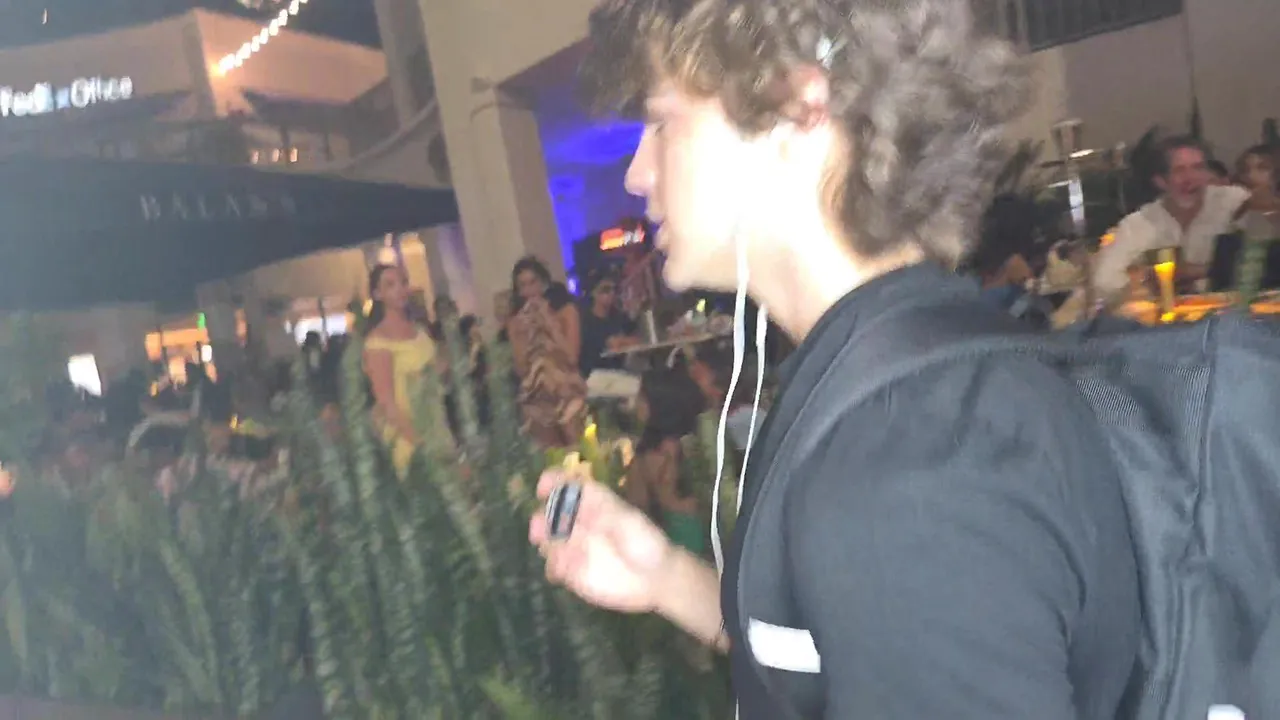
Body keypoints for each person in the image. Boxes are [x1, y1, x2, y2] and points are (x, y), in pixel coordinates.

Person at [529, 1, 1139, 717]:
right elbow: (859, 652)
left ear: (797, 109)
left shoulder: (909, 468)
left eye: (662, 122)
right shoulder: (906, 377)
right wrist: (668, 579)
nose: (636, 173)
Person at [1091, 137, 1249, 302]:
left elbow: (1263, 256)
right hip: (1172, 314)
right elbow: (1103, 282)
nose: (1190, 178)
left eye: (1198, 168)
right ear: (1161, 181)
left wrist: (1201, 271)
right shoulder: (1139, 223)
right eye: (1179, 170)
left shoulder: (1233, 201)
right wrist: (1147, 279)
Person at [362, 263, 441, 474]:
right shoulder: (378, 342)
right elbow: (387, 404)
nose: (400, 289)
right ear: (377, 294)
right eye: (390, 285)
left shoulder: (420, 331)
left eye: (403, 282)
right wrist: (421, 443)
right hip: (409, 435)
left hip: (436, 422)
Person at [622, 368, 706, 555]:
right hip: (699, 532)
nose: (636, 403)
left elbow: (636, 508)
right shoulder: (695, 442)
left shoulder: (653, 455)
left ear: (658, 406)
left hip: (673, 539)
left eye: (642, 398)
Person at [507, 256, 588, 447]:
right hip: (536, 394)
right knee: (552, 455)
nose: (529, 291)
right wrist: (523, 335)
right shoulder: (515, 322)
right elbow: (520, 369)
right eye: (523, 285)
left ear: (543, 283)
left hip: (566, 387)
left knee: (578, 446)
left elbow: (572, 357)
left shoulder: (566, 311)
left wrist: (550, 324)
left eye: (533, 282)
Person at [578, 271, 641, 377]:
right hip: (596, 374)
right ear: (593, 293)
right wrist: (622, 341)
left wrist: (622, 341)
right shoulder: (586, 321)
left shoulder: (618, 316)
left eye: (615, 290)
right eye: (605, 290)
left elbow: (638, 339)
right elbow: (609, 344)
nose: (612, 293)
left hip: (620, 371)